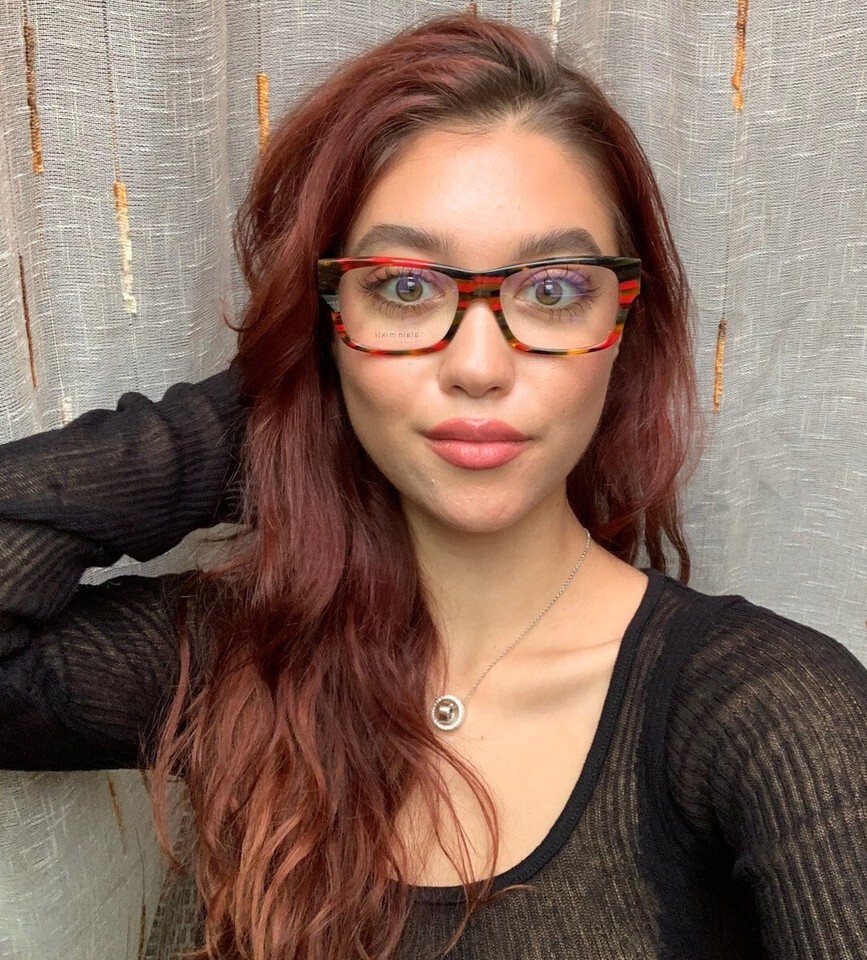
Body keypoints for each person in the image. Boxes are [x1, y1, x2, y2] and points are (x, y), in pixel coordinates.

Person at [1, 13, 865, 960]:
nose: (478, 368)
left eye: (552, 290)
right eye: (404, 289)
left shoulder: (774, 716)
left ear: (624, 329)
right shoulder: (246, 656)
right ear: (328, 319)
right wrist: (285, 403)